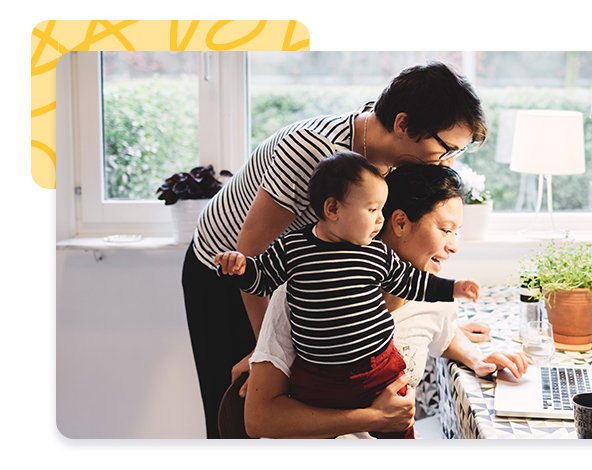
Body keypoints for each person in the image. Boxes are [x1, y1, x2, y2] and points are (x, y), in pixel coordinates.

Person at [181, 61, 488, 438]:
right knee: (239, 405)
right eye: (446, 148)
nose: (448, 162)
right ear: (404, 125)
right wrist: (267, 352)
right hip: (229, 269)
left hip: (290, 267)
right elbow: (251, 253)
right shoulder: (311, 151)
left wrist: (444, 327)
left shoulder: (395, 158)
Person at [243, 164, 532, 438]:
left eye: (456, 233)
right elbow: (258, 419)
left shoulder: (432, 299)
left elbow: (442, 334)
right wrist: (373, 418)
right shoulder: (304, 289)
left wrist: (477, 358)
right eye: (445, 230)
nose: (453, 245)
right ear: (401, 222)